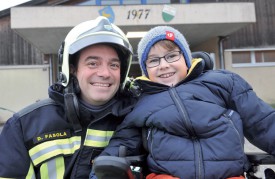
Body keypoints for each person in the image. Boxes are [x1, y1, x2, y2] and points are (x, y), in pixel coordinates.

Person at [90, 26, 275, 179]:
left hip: (227, 175)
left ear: (186, 58)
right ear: (145, 69)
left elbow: (263, 124)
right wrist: (102, 171)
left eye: (171, 56)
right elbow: (123, 142)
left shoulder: (223, 83)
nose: (163, 65)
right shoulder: (141, 102)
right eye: (153, 60)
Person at [0, 16, 138, 178]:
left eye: (113, 65)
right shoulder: (24, 126)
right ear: (72, 68)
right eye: (93, 63)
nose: (105, 73)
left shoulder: (137, 121)